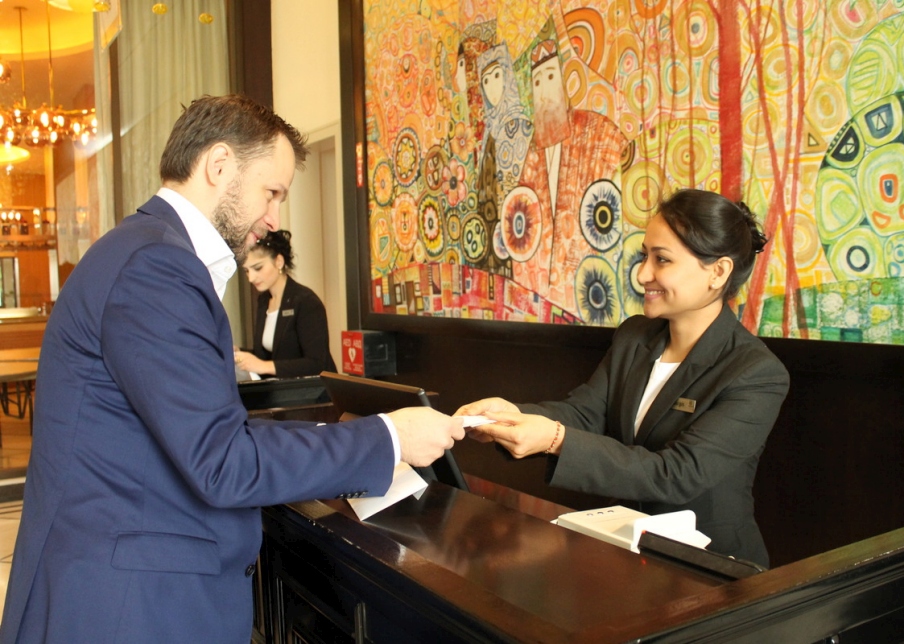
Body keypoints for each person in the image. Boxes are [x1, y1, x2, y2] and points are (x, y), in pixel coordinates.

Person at [0, 94, 464, 644]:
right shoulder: (157, 267)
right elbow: (222, 462)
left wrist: (326, 434)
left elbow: (199, 429)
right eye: (271, 193)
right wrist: (389, 437)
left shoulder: (143, 251)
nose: (273, 220)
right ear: (219, 165)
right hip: (130, 607)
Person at [457, 188, 789, 567]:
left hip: (712, 566)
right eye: (644, 256)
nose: (643, 273)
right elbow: (585, 413)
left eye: (662, 260)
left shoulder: (755, 372)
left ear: (718, 272)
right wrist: (508, 415)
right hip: (629, 552)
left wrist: (553, 439)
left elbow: (676, 474)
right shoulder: (635, 336)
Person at [234, 229, 337, 378]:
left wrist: (262, 366)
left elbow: (316, 364)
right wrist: (240, 353)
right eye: (247, 271)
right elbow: (272, 355)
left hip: (315, 394)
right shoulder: (264, 300)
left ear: (279, 262)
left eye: (258, 268)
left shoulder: (306, 302)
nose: (251, 278)